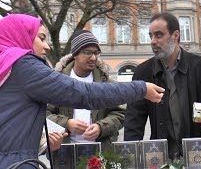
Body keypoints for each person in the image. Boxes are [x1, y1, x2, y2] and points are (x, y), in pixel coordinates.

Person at [0, 14, 164, 167]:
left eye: (96, 53)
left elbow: (15, 126)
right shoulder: (24, 66)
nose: (47, 46)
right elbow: (84, 93)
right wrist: (141, 88)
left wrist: (43, 142)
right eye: (41, 38)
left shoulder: (7, 65)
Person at [124, 12, 201, 160]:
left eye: (158, 35)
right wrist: (129, 157)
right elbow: (134, 120)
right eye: (151, 36)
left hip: (197, 154)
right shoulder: (143, 72)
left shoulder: (200, 66)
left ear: (175, 35)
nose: (153, 41)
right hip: (160, 155)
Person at [47, 30, 125, 151]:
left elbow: (120, 114)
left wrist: (101, 127)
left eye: (96, 53)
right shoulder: (58, 82)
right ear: (75, 54)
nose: (93, 58)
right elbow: (44, 114)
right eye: (87, 53)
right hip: (64, 153)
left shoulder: (106, 82)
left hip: (101, 153)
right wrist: (67, 123)